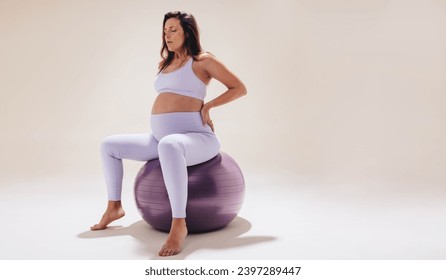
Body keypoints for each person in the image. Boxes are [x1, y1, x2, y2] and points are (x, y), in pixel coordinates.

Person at [90, 11, 247, 257]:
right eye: (165, 31)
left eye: (173, 30)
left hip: (197, 138)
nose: (168, 35)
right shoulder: (164, 64)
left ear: (188, 32)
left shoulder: (202, 61)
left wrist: (208, 106)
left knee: (170, 146)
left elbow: (239, 88)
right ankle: (114, 207)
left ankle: (178, 223)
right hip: (160, 139)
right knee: (109, 145)